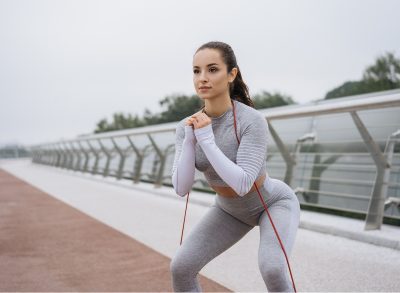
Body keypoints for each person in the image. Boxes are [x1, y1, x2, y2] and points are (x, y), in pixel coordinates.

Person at [170, 41, 301, 292]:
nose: (203, 78)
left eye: (212, 69)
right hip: (228, 210)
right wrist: (189, 141)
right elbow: (181, 188)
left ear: (232, 74)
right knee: (181, 267)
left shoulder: (252, 120)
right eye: (196, 71)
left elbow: (243, 184)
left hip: (272, 203)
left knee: (272, 268)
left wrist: (206, 139)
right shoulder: (186, 126)